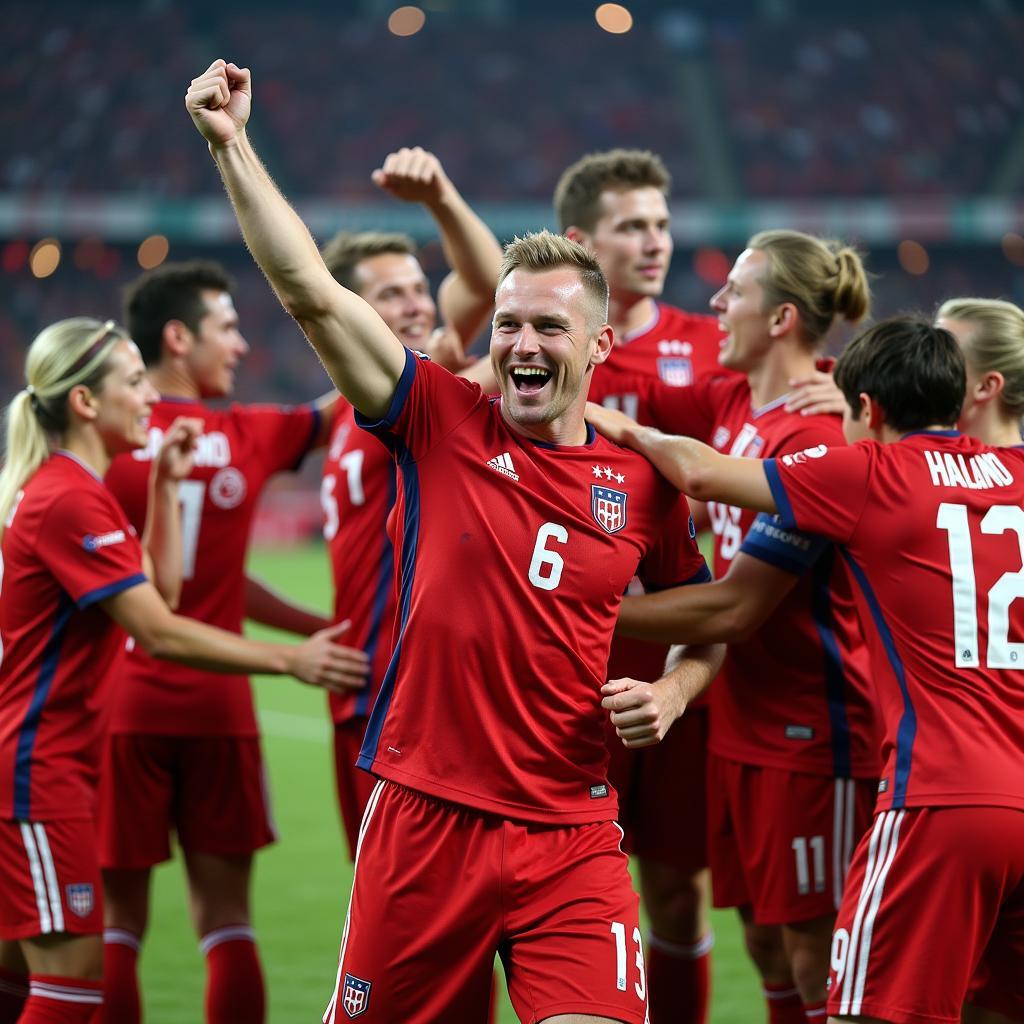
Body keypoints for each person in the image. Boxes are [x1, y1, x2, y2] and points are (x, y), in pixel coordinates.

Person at [186, 58, 725, 1024]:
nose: (522, 343)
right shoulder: (439, 420)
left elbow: (714, 622)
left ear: (599, 347)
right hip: (427, 819)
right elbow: (309, 289)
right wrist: (232, 147)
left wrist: (675, 690)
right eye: (508, 322)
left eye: (549, 328)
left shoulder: (644, 483)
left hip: (573, 829)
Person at [594, 316, 1024, 1024]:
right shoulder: (1012, 470)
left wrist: (623, 428)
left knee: (856, 1008)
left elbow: (699, 472)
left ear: (868, 410)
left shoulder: (870, 471)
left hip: (941, 796)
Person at [0, 318, 366, 1024]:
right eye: (134, 383)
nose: (149, 399)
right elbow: (159, 631)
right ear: (84, 403)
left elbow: (159, 588)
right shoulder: (68, 497)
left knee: (21, 972)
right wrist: (289, 658)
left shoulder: (78, 487)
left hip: (49, 765)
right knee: (72, 987)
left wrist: (164, 484)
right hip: (39, 772)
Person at [589, 230, 881, 1024]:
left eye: (735, 293)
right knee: (764, 940)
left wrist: (577, 606)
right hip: (742, 723)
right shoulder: (732, 402)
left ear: (782, 317)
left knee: (820, 957)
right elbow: (633, 381)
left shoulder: (815, 438)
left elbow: (734, 608)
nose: (715, 305)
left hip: (815, 733)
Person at [96, 260, 351, 1024]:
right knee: (228, 922)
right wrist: (425, 344)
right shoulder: (247, 433)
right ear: (178, 338)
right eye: (228, 328)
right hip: (221, 707)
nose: (242, 346)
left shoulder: (107, 440)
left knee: (118, 928)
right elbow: (345, 402)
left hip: (122, 704)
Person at [554, 149, 728, 1024]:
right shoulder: (548, 351)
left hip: (678, 663)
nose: (655, 241)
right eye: (633, 226)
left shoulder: (708, 349)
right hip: (563, 674)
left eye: (661, 223)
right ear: (582, 240)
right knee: (561, 894)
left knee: (675, 893)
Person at [319, 148, 502, 858]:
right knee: (398, 915)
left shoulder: (375, 406)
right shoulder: (368, 407)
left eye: (418, 287)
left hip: (395, 696)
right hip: (377, 694)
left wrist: (440, 197)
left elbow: (484, 282)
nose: (420, 304)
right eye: (392, 296)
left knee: (417, 917)